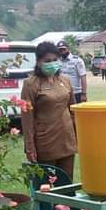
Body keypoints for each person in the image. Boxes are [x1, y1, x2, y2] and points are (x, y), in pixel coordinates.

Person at [20, 42, 77, 179]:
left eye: (55, 60)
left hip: (67, 140)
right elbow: (27, 118)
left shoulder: (65, 80)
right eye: (47, 61)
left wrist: (78, 136)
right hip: (45, 142)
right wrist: (29, 147)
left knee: (67, 182)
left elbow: (73, 110)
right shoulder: (31, 84)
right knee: (47, 184)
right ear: (39, 62)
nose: (52, 64)